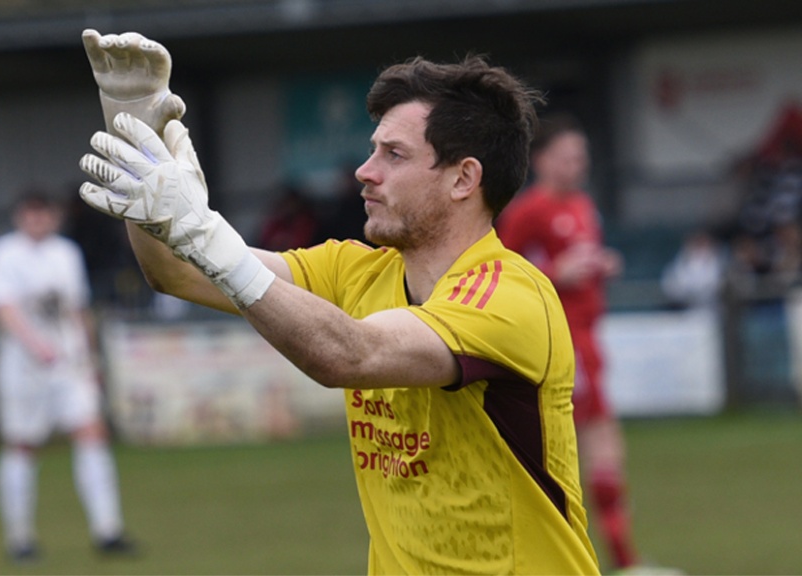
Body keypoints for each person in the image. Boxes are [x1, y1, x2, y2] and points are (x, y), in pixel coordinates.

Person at [78, 30, 598, 574]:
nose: (364, 170)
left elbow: (352, 355)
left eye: (393, 154)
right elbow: (179, 272)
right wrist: (134, 121)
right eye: (373, 150)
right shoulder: (355, 269)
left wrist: (206, 232)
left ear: (464, 178)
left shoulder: (510, 295)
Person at [495, 114, 653, 573]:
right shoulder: (528, 211)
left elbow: (576, 261)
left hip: (588, 336)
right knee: (590, 444)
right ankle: (618, 562)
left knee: (602, 441)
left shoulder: (582, 205)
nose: (576, 164)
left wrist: (601, 264)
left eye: (581, 156)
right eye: (567, 156)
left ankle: (621, 559)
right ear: (542, 160)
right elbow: (499, 271)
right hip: (559, 340)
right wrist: (556, 275)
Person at [0, 188, 135, 563]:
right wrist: (35, 345)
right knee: (22, 444)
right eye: (30, 214)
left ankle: (108, 529)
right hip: (24, 367)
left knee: (90, 433)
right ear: (20, 218)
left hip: (68, 362)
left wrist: (89, 357)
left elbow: (78, 308)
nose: (37, 221)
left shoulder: (66, 253)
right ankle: (20, 538)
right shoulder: (3, 253)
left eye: (43, 214)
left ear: (54, 217)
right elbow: (3, 306)